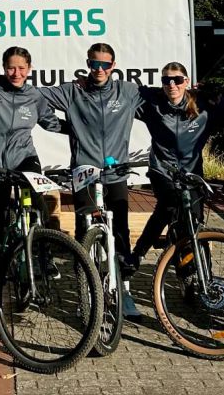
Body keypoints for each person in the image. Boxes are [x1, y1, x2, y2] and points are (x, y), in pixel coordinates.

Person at [0, 46, 62, 339]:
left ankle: (44, 256)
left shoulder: (35, 96)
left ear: (30, 69)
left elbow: (53, 123)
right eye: (10, 68)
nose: (16, 73)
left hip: (26, 159)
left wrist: (85, 127)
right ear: (3, 67)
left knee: (37, 200)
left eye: (21, 68)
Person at [38, 43, 144, 319]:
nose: (99, 69)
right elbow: (34, 97)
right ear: (87, 64)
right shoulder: (74, 91)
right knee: (84, 233)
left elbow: (163, 101)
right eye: (94, 64)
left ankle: (124, 291)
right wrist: (64, 127)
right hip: (84, 172)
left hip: (115, 172)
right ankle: (85, 293)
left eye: (105, 65)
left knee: (120, 233)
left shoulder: (127, 92)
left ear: (113, 66)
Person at [125, 63, 218, 281]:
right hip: (162, 170)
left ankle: (204, 275)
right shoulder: (153, 105)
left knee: (195, 223)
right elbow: (124, 94)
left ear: (187, 81)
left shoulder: (202, 105)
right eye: (166, 80)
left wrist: (221, 92)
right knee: (168, 205)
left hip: (192, 173)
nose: (172, 85)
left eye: (177, 80)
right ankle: (138, 254)